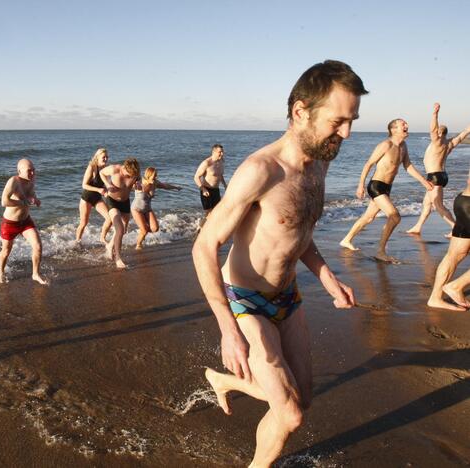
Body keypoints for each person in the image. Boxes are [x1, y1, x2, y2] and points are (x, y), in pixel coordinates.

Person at [193, 60, 365, 467]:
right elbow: (204, 247)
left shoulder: (321, 161)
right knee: (290, 413)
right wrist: (227, 329)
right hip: (245, 299)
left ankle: (225, 382)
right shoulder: (261, 171)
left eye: (352, 120)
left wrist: (326, 276)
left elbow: (297, 233)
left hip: (287, 296)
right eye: (338, 121)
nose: (347, 133)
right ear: (301, 111)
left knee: (302, 398)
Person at [339, 119, 433, 262]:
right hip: (376, 186)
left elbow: (408, 166)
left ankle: (346, 239)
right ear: (393, 129)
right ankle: (380, 251)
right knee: (395, 216)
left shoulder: (403, 146)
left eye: (406, 124)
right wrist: (360, 185)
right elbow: (368, 164)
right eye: (403, 124)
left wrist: (423, 181)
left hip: (387, 187)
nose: (406, 126)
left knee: (368, 217)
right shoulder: (385, 145)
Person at [406, 103, 470, 236]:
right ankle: (418, 227)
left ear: (440, 133)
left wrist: (435, 114)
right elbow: (464, 133)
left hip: (434, 176)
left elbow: (432, 130)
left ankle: (455, 229)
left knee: (438, 206)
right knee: (427, 204)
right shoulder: (450, 143)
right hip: (441, 176)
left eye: (437, 132)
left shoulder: (437, 142)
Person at [0, 158, 48, 285]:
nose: (32, 173)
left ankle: (35, 274)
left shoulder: (31, 180)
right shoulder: (13, 181)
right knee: (6, 251)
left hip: (25, 221)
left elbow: (31, 193)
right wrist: (22, 202)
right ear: (19, 171)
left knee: (37, 246)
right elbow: (4, 201)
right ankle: (0, 272)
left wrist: (35, 199)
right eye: (29, 171)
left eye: (34, 170)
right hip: (10, 223)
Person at [427, 170, 470, 310]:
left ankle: (435, 298)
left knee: (453, 256)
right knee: (454, 256)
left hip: (463, 201)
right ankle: (456, 286)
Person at [100, 158, 140, 269]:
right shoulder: (114, 169)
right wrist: (107, 184)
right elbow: (101, 172)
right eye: (129, 174)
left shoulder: (135, 173)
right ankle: (118, 258)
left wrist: (137, 184)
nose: (131, 176)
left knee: (124, 230)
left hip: (125, 202)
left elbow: (138, 181)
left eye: (133, 175)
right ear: (124, 168)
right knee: (120, 229)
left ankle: (110, 246)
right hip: (112, 201)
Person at [131, 166, 181, 249]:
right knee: (144, 230)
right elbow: (142, 189)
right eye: (154, 175)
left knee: (155, 228)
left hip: (147, 208)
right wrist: (148, 183)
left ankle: (143, 230)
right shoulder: (140, 182)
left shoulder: (155, 183)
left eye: (156, 175)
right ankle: (138, 245)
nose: (156, 177)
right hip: (136, 209)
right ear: (149, 175)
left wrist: (176, 187)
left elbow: (165, 186)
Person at [76, 148, 112, 244]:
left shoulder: (106, 169)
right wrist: (99, 189)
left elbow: (107, 184)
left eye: (107, 157)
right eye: (103, 157)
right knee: (83, 223)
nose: (106, 159)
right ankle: (77, 242)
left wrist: (110, 191)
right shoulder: (92, 167)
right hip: (87, 198)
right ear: (97, 157)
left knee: (109, 218)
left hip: (97, 199)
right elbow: (84, 185)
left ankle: (102, 238)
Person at [194, 144, 227, 218]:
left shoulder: (221, 161)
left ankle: (203, 227)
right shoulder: (206, 163)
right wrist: (203, 189)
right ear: (213, 152)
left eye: (223, 152)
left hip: (216, 190)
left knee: (216, 212)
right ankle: (201, 228)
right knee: (209, 214)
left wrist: (225, 185)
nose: (222, 154)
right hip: (206, 191)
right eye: (220, 152)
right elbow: (196, 177)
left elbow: (220, 175)